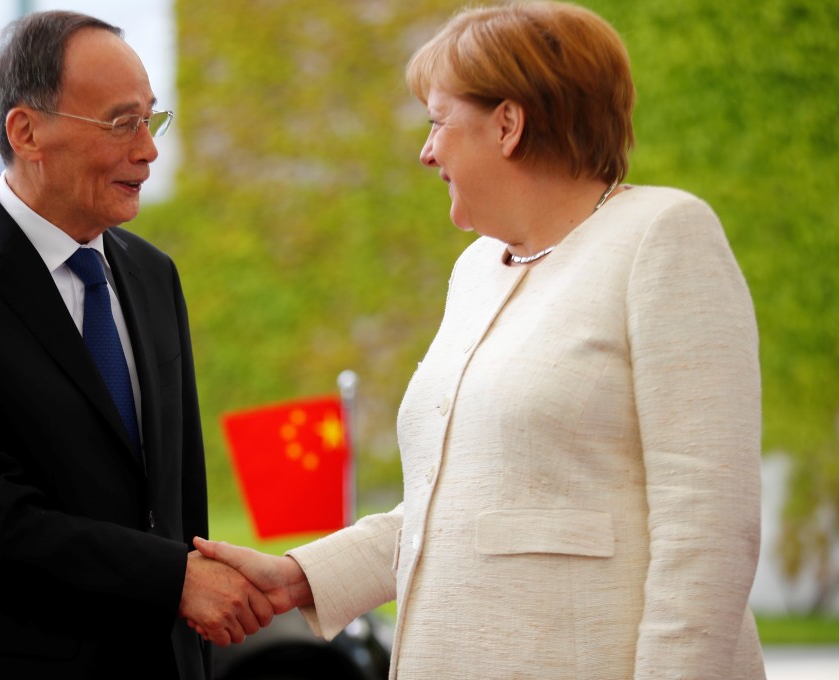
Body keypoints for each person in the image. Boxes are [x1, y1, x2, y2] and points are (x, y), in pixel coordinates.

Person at [194, 2, 767, 678]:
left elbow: (709, 526)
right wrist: (302, 575)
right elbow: (456, 508)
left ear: (508, 123)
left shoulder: (664, 234)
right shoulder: (475, 272)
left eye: (438, 120)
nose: (425, 149)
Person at [0, 11, 271, 679]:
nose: (149, 151)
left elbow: (176, 498)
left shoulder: (152, 274)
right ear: (27, 132)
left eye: (151, 120)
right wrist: (173, 577)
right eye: (122, 123)